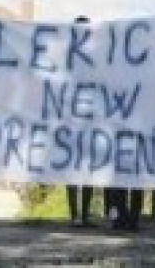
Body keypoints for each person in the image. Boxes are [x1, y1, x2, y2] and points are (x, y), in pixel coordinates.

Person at [65, 16, 95, 227]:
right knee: (71, 168)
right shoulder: (66, 59)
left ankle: (84, 214)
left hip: (92, 120)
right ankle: (74, 213)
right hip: (70, 119)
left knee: (88, 170)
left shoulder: (97, 60)